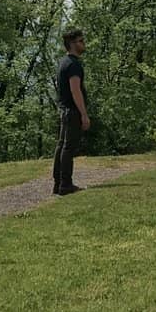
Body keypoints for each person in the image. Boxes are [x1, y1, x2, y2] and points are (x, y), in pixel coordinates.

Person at [53, 28, 90, 195]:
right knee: (68, 148)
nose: (84, 44)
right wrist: (83, 114)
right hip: (72, 111)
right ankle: (65, 185)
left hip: (64, 109)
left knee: (62, 146)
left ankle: (58, 182)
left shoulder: (63, 62)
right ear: (72, 44)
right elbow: (76, 90)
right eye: (81, 41)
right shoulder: (74, 65)